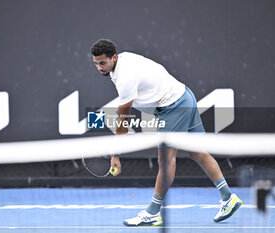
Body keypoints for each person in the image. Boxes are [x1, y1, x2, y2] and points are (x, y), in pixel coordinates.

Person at [90, 39, 242, 226]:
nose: (99, 68)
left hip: (173, 107)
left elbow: (123, 119)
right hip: (185, 96)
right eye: (96, 63)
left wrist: (116, 154)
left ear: (114, 57)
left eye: (102, 63)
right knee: (197, 151)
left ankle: (153, 212)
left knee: (166, 160)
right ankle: (228, 197)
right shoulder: (123, 60)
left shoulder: (125, 78)